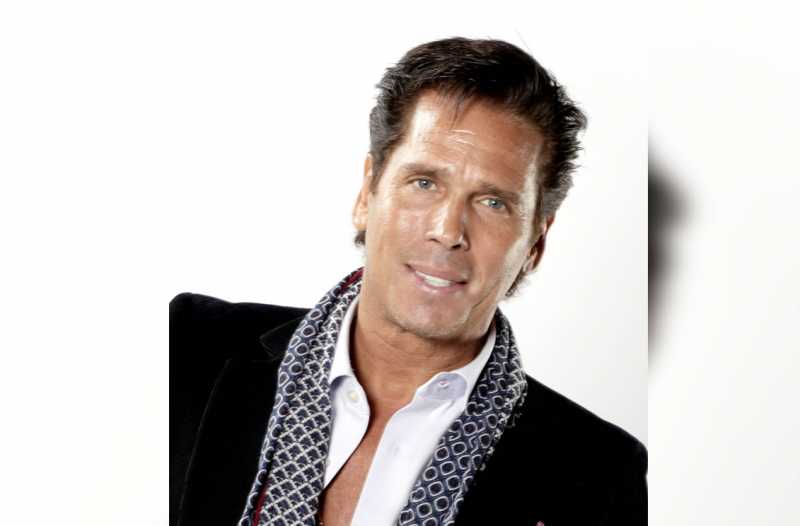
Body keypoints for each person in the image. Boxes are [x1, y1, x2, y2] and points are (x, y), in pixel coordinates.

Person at [170, 37, 647, 526]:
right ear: (367, 193)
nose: (448, 230)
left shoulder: (600, 477)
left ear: (534, 244)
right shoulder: (189, 346)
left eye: (493, 203)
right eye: (424, 183)